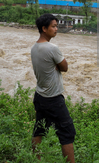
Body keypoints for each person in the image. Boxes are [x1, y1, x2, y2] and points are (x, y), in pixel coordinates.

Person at [31, 13, 76, 163]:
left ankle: (36, 158)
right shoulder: (52, 48)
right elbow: (64, 67)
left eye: (57, 26)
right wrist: (56, 65)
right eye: (54, 26)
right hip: (53, 98)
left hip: (40, 95)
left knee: (39, 128)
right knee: (67, 132)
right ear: (44, 28)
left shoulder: (34, 47)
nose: (56, 29)